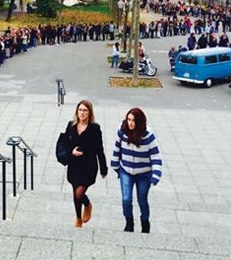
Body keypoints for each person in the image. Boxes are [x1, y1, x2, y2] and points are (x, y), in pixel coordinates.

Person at [111, 108, 163, 233]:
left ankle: (145, 222)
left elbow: (156, 157)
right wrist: (115, 166)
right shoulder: (122, 131)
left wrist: (155, 176)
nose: (130, 123)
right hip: (126, 170)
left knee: (142, 199)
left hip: (144, 174)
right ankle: (129, 222)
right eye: (129, 119)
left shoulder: (148, 136)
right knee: (126, 199)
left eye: (133, 120)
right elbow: (117, 148)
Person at [63, 100, 108, 228]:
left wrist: (103, 168)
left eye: (85, 110)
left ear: (89, 112)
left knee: (79, 193)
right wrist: (71, 152)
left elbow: (100, 149)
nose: (82, 113)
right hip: (74, 164)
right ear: (77, 111)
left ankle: (87, 205)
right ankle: (78, 218)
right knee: (75, 192)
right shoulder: (71, 125)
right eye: (80, 110)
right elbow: (65, 143)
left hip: (88, 166)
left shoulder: (95, 128)